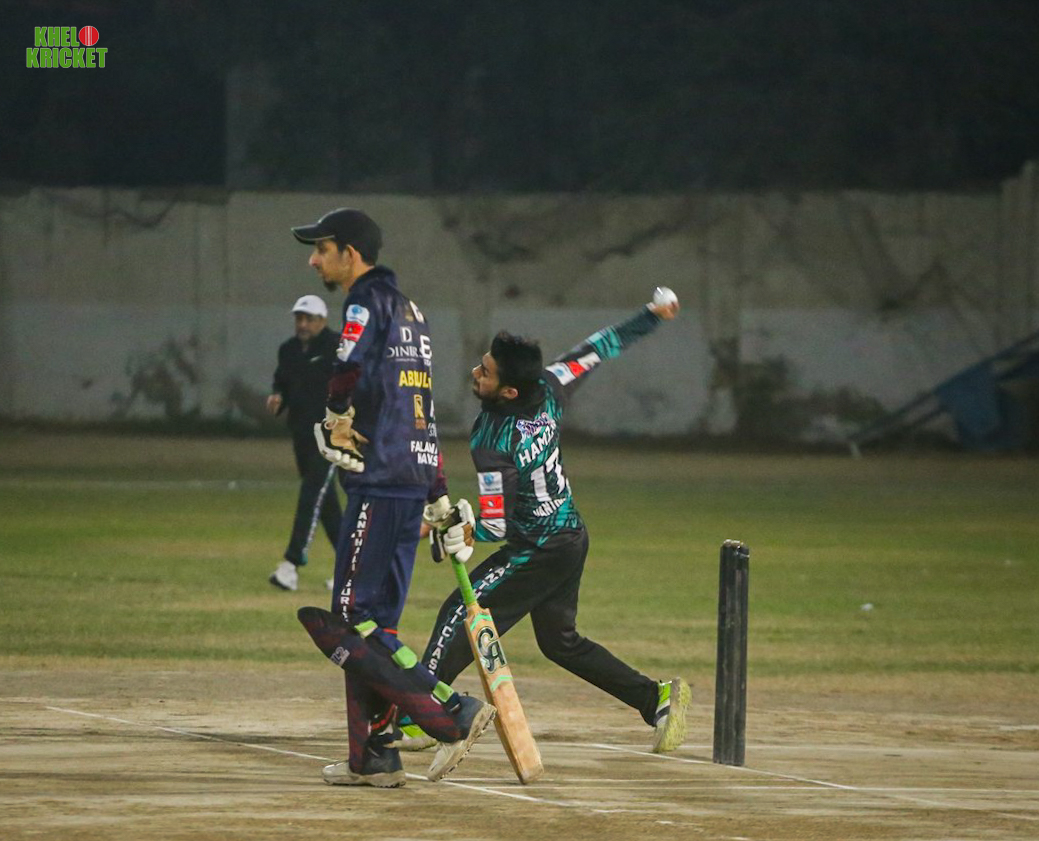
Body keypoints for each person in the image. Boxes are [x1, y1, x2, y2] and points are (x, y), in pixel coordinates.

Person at [411, 290, 691, 754]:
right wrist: (651, 315)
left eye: (486, 372)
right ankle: (654, 698)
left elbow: (497, 526)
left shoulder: (493, 441)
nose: (475, 373)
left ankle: (421, 716)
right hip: (570, 537)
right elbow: (600, 347)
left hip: (536, 550)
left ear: (509, 392)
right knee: (560, 643)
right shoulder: (551, 384)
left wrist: (459, 528)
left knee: (459, 611)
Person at [290, 207, 495, 788]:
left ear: (350, 254)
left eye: (322, 249)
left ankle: (450, 710)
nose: (313, 260)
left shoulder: (366, 301)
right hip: (413, 475)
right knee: (377, 628)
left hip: (379, 477)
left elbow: (347, 362)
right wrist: (438, 491)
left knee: (349, 621)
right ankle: (373, 755)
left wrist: (335, 413)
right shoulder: (412, 311)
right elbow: (420, 402)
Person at [267, 294, 342, 592]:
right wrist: (278, 396)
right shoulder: (288, 350)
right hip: (301, 435)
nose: (302, 324)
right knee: (327, 505)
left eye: (308, 319)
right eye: (299, 318)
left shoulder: (337, 348)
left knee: (311, 495)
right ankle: (352, 568)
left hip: (330, 435)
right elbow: (282, 382)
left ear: (322, 320)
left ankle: (291, 564)